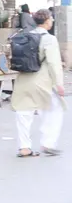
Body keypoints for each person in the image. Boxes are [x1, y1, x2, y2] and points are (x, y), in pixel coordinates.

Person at [12, 9, 66, 157]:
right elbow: (54, 63)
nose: (52, 21)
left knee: (23, 113)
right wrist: (59, 84)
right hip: (42, 81)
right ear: (47, 21)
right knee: (54, 110)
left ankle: (24, 147)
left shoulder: (25, 35)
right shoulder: (49, 39)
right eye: (51, 19)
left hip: (23, 80)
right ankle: (48, 143)